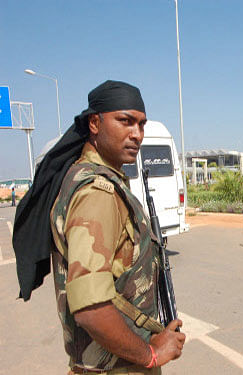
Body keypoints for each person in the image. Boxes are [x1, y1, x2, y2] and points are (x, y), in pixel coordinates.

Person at [13, 80, 185, 374]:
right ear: (95, 122)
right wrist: (151, 355)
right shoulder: (97, 193)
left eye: (141, 125)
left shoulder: (99, 180)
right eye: (125, 121)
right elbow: (92, 309)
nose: (137, 134)